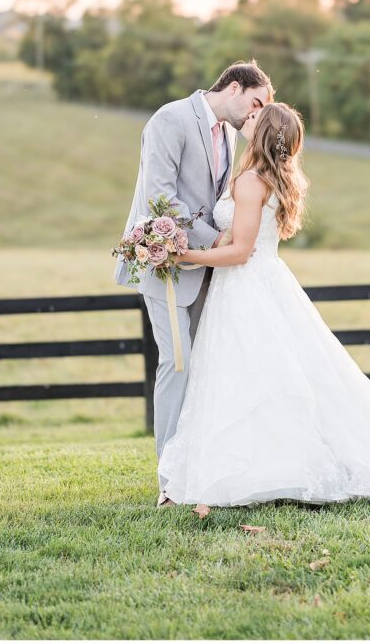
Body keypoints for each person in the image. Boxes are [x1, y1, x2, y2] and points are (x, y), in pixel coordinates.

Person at [158, 101, 370, 509]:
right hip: (265, 282)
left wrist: (184, 257)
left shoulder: (250, 181)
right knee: (263, 375)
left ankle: (261, 469)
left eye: (254, 117)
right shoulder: (274, 177)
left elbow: (241, 252)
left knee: (249, 374)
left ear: (262, 132)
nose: (246, 118)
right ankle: (258, 466)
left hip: (246, 287)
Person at [113, 61, 274, 508]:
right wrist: (215, 239)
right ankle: (169, 480)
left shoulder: (227, 133)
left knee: (205, 366)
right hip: (164, 260)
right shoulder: (170, 119)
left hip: (207, 269)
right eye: (256, 102)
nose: (257, 114)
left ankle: (199, 469)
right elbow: (158, 196)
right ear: (235, 87)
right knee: (177, 364)